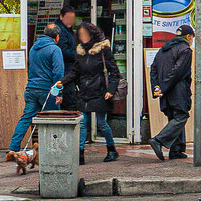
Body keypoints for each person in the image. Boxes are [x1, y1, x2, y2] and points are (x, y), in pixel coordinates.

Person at [8, 19, 68, 161]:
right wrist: (59, 92)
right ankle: (55, 150)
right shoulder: (55, 49)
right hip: (47, 90)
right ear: (57, 37)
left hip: (31, 88)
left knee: (26, 118)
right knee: (54, 120)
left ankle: (13, 147)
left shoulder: (34, 48)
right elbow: (58, 73)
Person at [69, 22, 121, 162]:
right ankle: (80, 155)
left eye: (84, 34)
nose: (82, 37)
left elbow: (115, 72)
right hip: (85, 91)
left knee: (101, 122)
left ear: (92, 34)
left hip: (100, 91)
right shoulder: (80, 52)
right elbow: (75, 72)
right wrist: (62, 81)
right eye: (80, 34)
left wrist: (110, 90)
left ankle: (112, 150)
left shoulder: (103, 50)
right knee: (83, 123)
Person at [150, 26, 193, 161]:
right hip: (178, 90)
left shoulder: (163, 50)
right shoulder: (185, 50)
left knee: (174, 117)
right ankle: (158, 140)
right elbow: (177, 72)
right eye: (192, 38)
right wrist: (163, 87)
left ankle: (176, 150)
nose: (192, 41)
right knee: (181, 116)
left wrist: (157, 87)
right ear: (188, 37)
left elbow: (154, 69)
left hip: (166, 91)